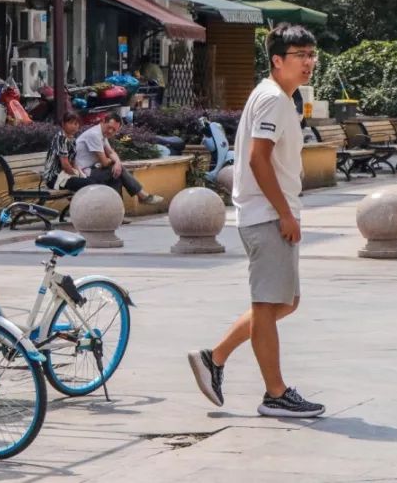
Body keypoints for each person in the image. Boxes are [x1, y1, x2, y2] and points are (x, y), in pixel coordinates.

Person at [187, 22, 325, 418]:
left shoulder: (278, 97)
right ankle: (275, 394)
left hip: (267, 213)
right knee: (268, 305)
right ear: (277, 60)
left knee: (286, 302)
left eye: (312, 55)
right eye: (300, 56)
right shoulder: (273, 100)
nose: (309, 63)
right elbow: (257, 159)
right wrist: (283, 212)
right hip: (267, 215)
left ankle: (214, 358)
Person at [75, 112, 165, 205]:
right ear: (103, 122)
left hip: (91, 170)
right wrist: (114, 163)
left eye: (114, 130)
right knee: (116, 171)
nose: (110, 131)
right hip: (82, 174)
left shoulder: (102, 134)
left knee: (116, 174)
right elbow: (105, 162)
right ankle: (142, 195)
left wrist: (117, 162)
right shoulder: (94, 135)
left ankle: (118, 214)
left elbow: (110, 152)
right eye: (109, 127)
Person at [44, 112, 90, 192]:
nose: (73, 126)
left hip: (66, 175)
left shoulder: (72, 140)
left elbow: (73, 162)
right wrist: (76, 175)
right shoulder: (61, 138)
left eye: (76, 124)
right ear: (63, 124)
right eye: (70, 123)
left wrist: (80, 175)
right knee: (87, 183)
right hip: (54, 178)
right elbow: (65, 165)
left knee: (90, 181)